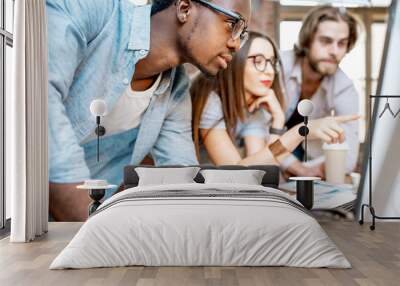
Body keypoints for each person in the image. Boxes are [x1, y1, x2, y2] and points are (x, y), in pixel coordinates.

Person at [47, 0, 251, 221]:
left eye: (243, 34)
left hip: (86, 227)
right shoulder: (90, 10)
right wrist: (97, 234)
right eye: (233, 24)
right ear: (184, 8)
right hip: (20, 218)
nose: (236, 44)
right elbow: (39, 102)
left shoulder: (176, 91)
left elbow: (181, 180)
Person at [191, 31, 359, 167]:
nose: (270, 71)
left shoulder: (256, 107)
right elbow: (236, 173)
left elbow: (261, 169)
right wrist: (301, 131)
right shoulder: (211, 100)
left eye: (272, 62)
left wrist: (277, 122)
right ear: (235, 63)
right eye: (258, 61)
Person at [281, 5, 361, 178]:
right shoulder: (277, 67)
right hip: (265, 151)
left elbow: (349, 157)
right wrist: (296, 167)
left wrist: (312, 169)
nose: (334, 51)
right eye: (325, 41)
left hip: (308, 158)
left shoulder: (344, 86)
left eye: (342, 43)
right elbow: (260, 135)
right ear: (307, 40)